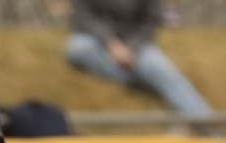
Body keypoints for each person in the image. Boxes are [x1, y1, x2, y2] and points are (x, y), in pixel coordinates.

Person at [64, 0, 213, 117]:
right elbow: (81, 16)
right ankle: (153, 84)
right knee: (77, 49)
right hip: (96, 40)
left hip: (136, 44)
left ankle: (213, 131)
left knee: (165, 71)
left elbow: (150, 21)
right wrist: (110, 42)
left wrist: (131, 48)